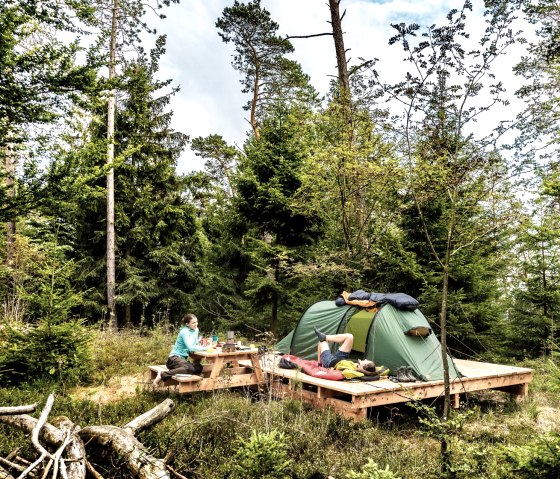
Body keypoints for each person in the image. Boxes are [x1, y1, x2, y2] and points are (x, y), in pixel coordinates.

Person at [153, 313, 206, 387]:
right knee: (189, 368)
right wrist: (205, 348)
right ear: (187, 324)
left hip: (183, 361)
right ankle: (163, 374)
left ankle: (182, 372)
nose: (196, 324)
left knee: (199, 367)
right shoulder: (184, 332)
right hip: (174, 359)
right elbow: (190, 347)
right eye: (193, 323)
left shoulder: (196, 330)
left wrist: (203, 345)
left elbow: (194, 344)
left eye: (196, 322)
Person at [314, 327, 378, 378]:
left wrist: (359, 370)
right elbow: (382, 370)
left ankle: (320, 364)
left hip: (330, 362)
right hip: (342, 358)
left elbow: (347, 373)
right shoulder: (360, 365)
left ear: (362, 366)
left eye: (366, 361)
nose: (366, 359)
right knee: (349, 337)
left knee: (322, 342)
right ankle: (325, 336)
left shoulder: (353, 371)